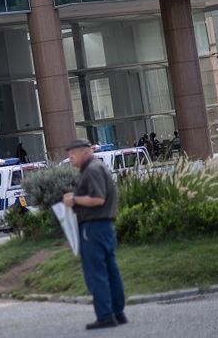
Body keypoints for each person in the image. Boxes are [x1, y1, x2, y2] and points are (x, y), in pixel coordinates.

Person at [63, 139, 127, 330]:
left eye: (72, 154)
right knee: (110, 270)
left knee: (96, 272)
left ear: (84, 152)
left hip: (93, 227)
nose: (70, 158)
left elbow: (97, 199)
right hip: (104, 226)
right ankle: (117, 312)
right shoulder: (97, 167)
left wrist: (74, 199)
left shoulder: (91, 170)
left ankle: (106, 315)